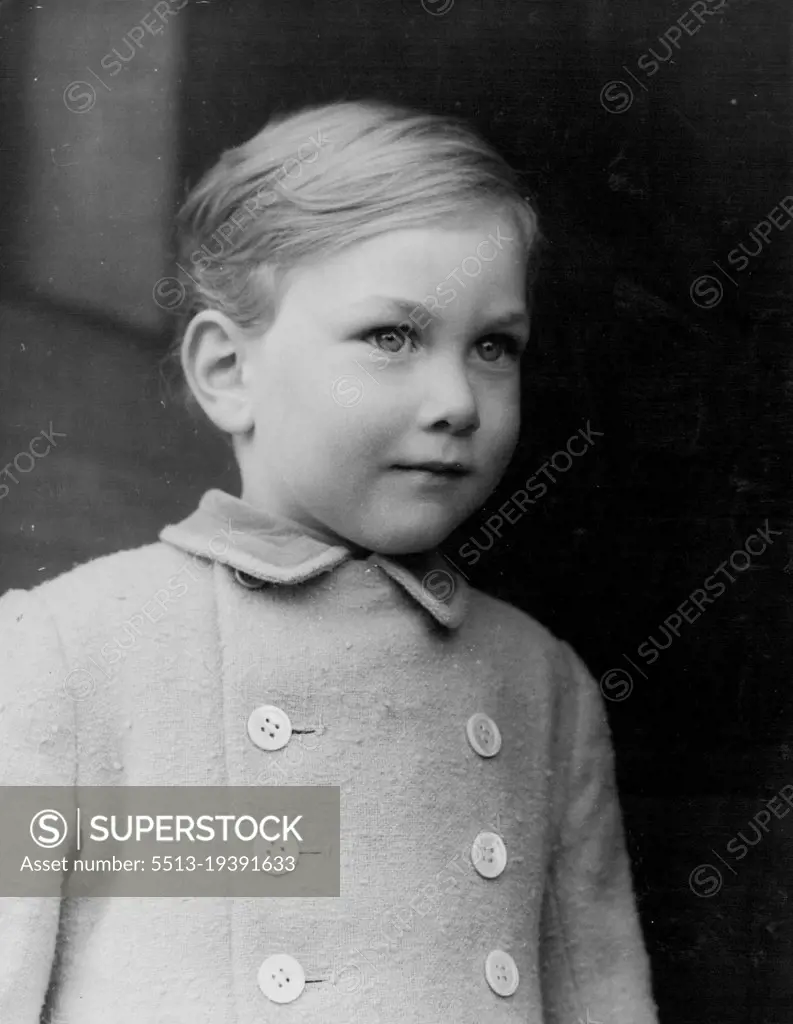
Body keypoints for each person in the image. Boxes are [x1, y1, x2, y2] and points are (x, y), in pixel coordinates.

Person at [0, 98, 659, 1023]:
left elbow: (601, 998)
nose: (456, 400)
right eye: (391, 337)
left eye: (493, 347)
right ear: (229, 373)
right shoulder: (75, 651)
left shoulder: (541, 684)